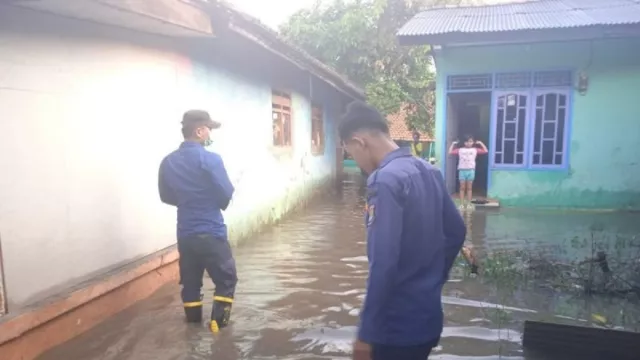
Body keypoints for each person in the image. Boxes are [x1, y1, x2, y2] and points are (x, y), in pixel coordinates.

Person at [339, 101, 467, 360]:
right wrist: (432, 280)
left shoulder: (385, 180)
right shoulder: (429, 171)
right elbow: (456, 232)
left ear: (359, 142)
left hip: (394, 330)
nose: (358, 163)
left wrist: (365, 334)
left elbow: (383, 263)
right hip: (427, 319)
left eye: (351, 154)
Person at [158, 109, 237, 333]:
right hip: (211, 232)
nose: (210, 134)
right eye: (209, 129)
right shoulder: (211, 159)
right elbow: (225, 193)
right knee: (226, 280)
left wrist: (189, 201)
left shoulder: (168, 162)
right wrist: (207, 202)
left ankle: (192, 330)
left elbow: (166, 196)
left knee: (191, 283)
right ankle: (218, 330)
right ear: (199, 131)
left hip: (185, 234)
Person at [448, 135, 488, 209]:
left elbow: (485, 150)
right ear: (464, 142)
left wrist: (480, 143)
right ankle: (462, 204)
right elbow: (450, 152)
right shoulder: (460, 150)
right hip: (462, 171)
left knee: (469, 188)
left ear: (473, 142)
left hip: (471, 170)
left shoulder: (475, 149)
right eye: (467, 141)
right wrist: (453, 144)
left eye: (470, 141)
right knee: (462, 188)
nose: (468, 143)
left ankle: (469, 204)